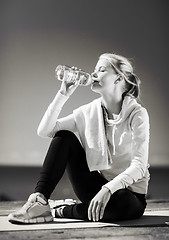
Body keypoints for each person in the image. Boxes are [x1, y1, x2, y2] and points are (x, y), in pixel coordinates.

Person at [8, 53, 150, 224]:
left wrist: (108, 190)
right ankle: (40, 201)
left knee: (124, 204)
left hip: (128, 194)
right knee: (64, 137)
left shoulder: (137, 114)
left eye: (102, 70)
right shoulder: (88, 112)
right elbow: (45, 130)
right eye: (95, 69)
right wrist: (63, 94)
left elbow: (139, 166)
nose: (94, 74)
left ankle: (60, 210)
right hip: (95, 187)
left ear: (118, 78)